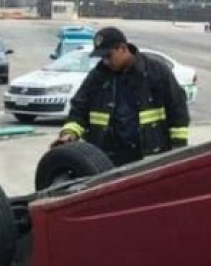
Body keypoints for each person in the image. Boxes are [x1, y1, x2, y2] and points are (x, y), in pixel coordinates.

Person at [56, 27, 190, 166]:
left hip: (149, 159)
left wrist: (178, 151)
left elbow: (178, 111)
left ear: (123, 48)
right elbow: (79, 108)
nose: (106, 62)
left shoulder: (156, 72)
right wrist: (69, 133)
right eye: (102, 58)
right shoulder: (98, 76)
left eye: (108, 56)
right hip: (107, 161)